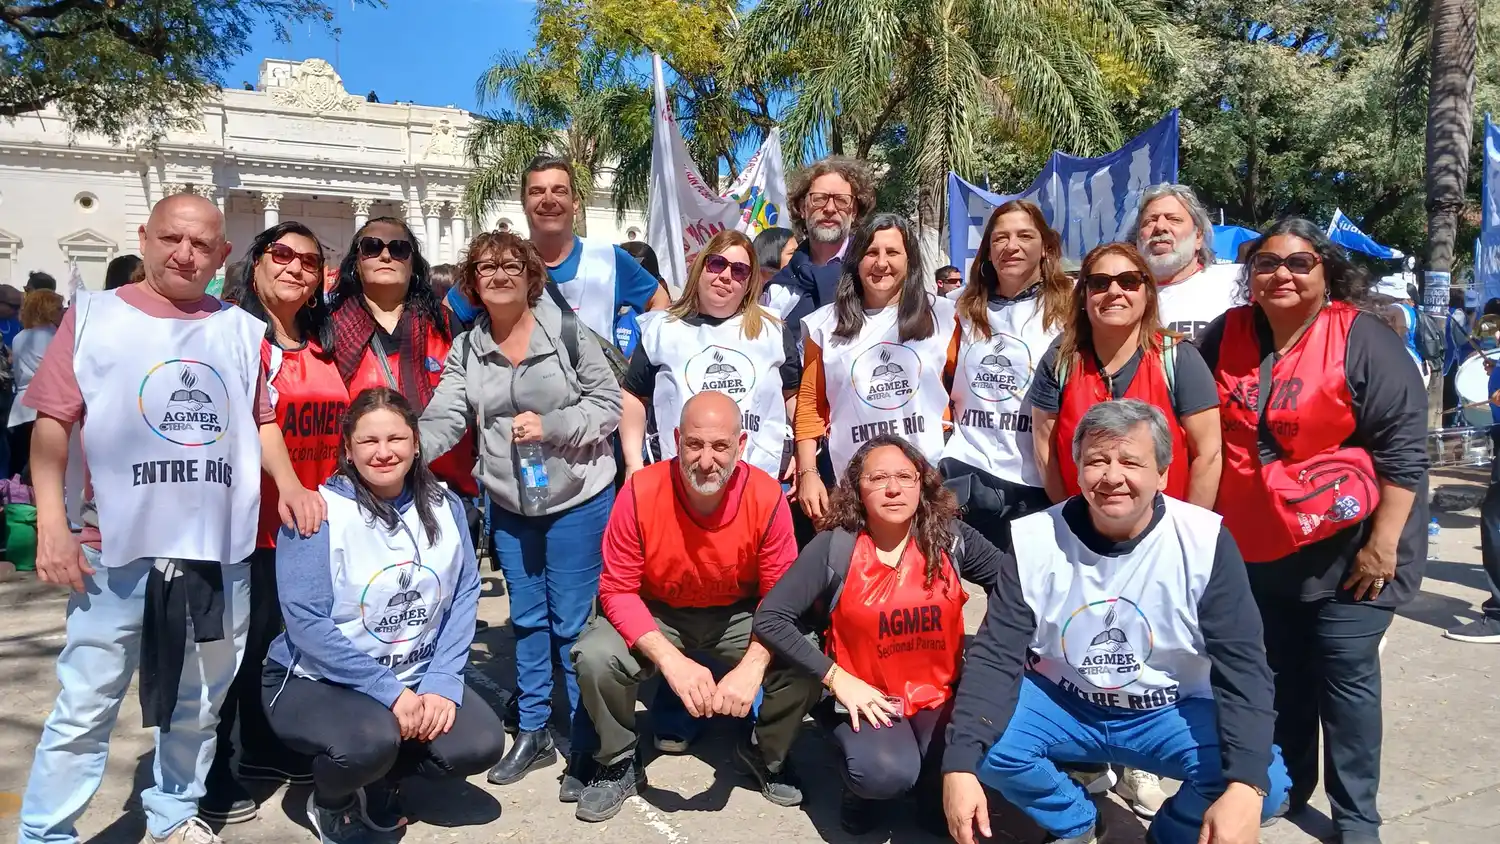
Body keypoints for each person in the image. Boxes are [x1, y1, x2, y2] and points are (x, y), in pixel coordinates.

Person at [17, 193, 324, 844]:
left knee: (200, 699)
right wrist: (53, 524)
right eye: (170, 239)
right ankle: (47, 833)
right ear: (146, 238)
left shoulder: (241, 332)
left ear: (220, 254)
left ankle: (173, 815)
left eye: (200, 244)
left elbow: (262, 420)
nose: (184, 253)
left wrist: (291, 484)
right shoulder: (94, 317)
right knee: (86, 704)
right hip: (113, 554)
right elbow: (52, 426)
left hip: (215, 556)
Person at [942, 399, 1289, 844]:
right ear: (1077, 469)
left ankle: (1169, 834)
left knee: (1263, 782)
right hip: (1064, 701)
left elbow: (1244, 666)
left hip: (1169, 708)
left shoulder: (1203, 541)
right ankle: (1076, 821)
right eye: (1096, 461)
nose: (1112, 476)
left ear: (1162, 473)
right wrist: (958, 764)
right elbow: (995, 654)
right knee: (982, 745)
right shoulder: (1034, 538)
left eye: (1130, 461)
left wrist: (1245, 786)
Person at [1197, 218, 1428, 843]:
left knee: (1345, 682)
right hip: (1260, 546)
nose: (1282, 275)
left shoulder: (1364, 339)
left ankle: (1357, 819)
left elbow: (1405, 453)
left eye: (1300, 264)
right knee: (1279, 674)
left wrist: (1383, 547)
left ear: (1327, 273)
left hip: (1352, 552)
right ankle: (1289, 786)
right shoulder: (1227, 334)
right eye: (1268, 263)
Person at [418, 230, 622, 790]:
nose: (499, 275)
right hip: (510, 504)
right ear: (472, 282)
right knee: (528, 620)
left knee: (573, 624)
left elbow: (608, 406)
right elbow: (445, 417)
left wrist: (554, 427)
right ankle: (533, 730)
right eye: (485, 268)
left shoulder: (569, 334)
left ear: (531, 275)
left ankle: (586, 739)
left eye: (511, 265)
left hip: (577, 498)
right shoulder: (467, 348)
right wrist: (400, 447)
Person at [266, 387, 505, 844]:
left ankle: (380, 780)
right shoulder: (318, 513)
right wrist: (392, 694)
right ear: (347, 451)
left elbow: (464, 594)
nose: (383, 452)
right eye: (369, 442)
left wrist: (440, 683)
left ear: (416, 444)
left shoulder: (447, 505)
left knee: (478, 744)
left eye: (395, 439)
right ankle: (332, 799)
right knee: (369, 742)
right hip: (318, 682)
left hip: (412, 676)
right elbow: (306, 623)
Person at [570, 392, 822, 823]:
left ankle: (766, 750)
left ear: (741, 444)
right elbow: (616, 590)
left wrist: (753, 667)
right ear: (675, 439)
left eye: (720, 446)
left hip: (741, 615)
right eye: (694, 444)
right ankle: (617, 759)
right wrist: (672, 662)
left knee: (806, 656)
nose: (706, 460)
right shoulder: (640, 491)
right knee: (595, 655)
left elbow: (781, 598)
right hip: (658, 612)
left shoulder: (766, 496)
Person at [754, 435, 1009, 834]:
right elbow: (770, 618)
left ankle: (929, 788)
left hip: (936, 691)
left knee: (965, 764)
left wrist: (992, 651)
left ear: (922, 485)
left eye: (905, 477)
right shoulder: (834, 547)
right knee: (885, 773)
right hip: (866, 697)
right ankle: (859, 790)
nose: (893, 488)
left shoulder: (951, 537)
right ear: (857, 488)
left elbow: (1013, 584)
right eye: (878, 478)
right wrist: (837, 680)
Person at [198, 222, 351, 824]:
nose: (296, 268)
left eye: (310, 262)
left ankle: (263, 748)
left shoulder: (322, 341)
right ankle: (209, 770)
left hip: (309, 528)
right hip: (245, 523)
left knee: (280, 647)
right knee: (230, 655)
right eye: (281, 255)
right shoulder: (233, 336)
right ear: (255, 263)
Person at [1029, 243, 1222, 510]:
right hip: (1083, 531)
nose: (1114, 292)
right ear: (1083, 296)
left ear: (1148, 295)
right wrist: (1070, 519)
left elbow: (1208, 454)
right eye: (1099, 283)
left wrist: (1188, 534)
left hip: (1162, 530)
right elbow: (1044, 451)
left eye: (1129, 282)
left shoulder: (1179, 359)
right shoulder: (1058, 361)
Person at [795, 213, 956, 526]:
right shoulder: (825, 326)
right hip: (855, 491)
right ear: (856, 261)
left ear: (910, 260)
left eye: (893, 253)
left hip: (927, 486)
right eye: (871, 253)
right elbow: (809, 407)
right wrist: (808, 473)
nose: (881, 263)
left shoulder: (944, 316)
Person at [940, 200, 1071, 553]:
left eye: (1024, 236)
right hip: (968, 470)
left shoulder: (1072, 307)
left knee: (1029, 597)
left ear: (1045, 248)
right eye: (1000, 238)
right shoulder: (959, 308)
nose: (1011, 246)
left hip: (1037, 479)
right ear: (987, 251)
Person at [621, 229, 797, 481]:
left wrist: (799, 454)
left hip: (758, 481)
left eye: (739, 271)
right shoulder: (660, 330)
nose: (726, 276)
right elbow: (634, 396)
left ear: (749, 282)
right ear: (700, 268)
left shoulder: (773, 330)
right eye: (717, 264)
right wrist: (633, 462)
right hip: (680, 480)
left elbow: (793, 395)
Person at [327, 217, 477, 498]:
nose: (385, 255)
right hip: (354, 494)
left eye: (398, 249)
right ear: (356, 263)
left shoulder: (446, 326)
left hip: (441, 491)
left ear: (412, 264)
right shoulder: (326, 330)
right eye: (371, 247)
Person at [519, 155, 669, 350]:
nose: (548, 200)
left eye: (559, 191)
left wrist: (637, 367)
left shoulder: (608, 258)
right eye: (537, 192)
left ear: (575, 203)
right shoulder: (504, 265)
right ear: (524, 202)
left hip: (599, 380)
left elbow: (660, 300)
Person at [765, 157, 878, 330]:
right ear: (803, 208)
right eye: (819, 198)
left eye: (841, 200)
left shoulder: (874, 273)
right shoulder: (779, 288)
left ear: (854, 211)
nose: (830, 208)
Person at [1132, 184, 1240, 342]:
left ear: (1198, 237)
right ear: (1137, 239)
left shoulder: (1238, 281)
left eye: (1174, 219)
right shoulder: (1118, 293)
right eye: (1150, 221)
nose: (1160, 227)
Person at [7, 289, 63, 476]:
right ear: (48, 310)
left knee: (25, 460)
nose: (63, 312)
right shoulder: (55, 337)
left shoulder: (18, 338)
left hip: (21, 407)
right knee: (46, 466)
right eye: (59, 308)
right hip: (47, 404)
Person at [753, 226, 800, 319]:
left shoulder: (799, 289)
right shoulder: (743, 290)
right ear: (772, 254)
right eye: (792, 253)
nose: (799, 258)